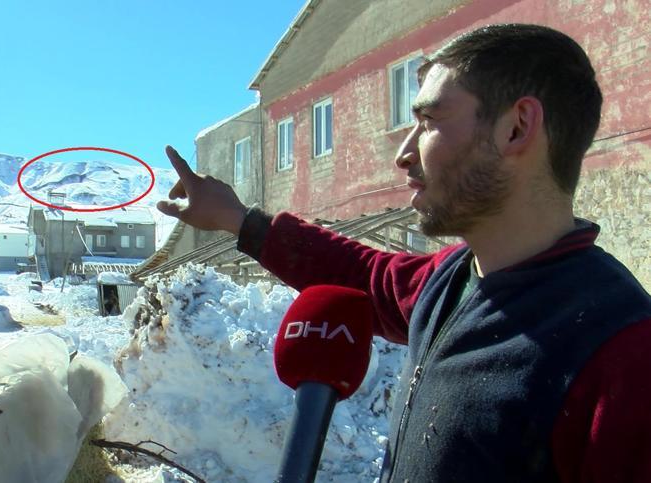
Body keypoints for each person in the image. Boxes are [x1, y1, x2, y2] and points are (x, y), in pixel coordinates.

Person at [157, 24, 651, 482]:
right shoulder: (450, 281)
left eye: (430, 119)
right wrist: (240, 221)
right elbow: (363, 273)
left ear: (516, 128)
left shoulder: (622, 355)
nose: (404, 152)